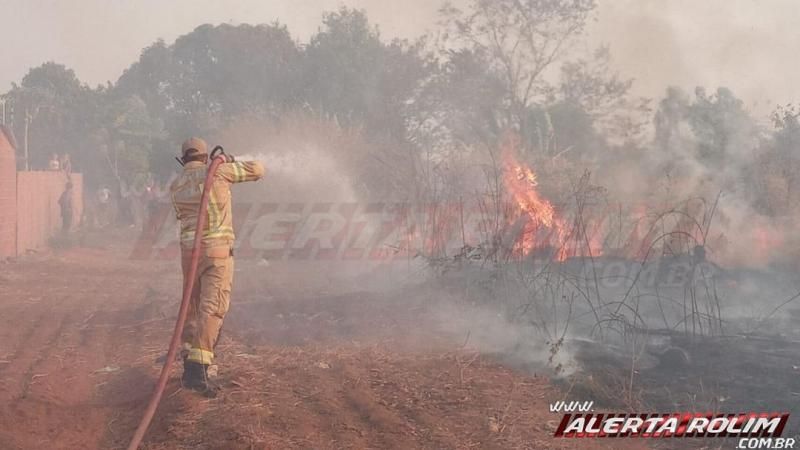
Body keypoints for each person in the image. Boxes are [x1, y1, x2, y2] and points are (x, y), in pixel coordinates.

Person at [169, 137, 264, 395]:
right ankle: (197, 369)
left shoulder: (175, 185)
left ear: (183, 159)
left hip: (189, 255)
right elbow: (258, 169)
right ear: (205, 156)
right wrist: (228, 159)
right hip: (216, 253)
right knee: (213, 307)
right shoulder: (219, 171)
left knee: (192, 305)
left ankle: (189, 354)